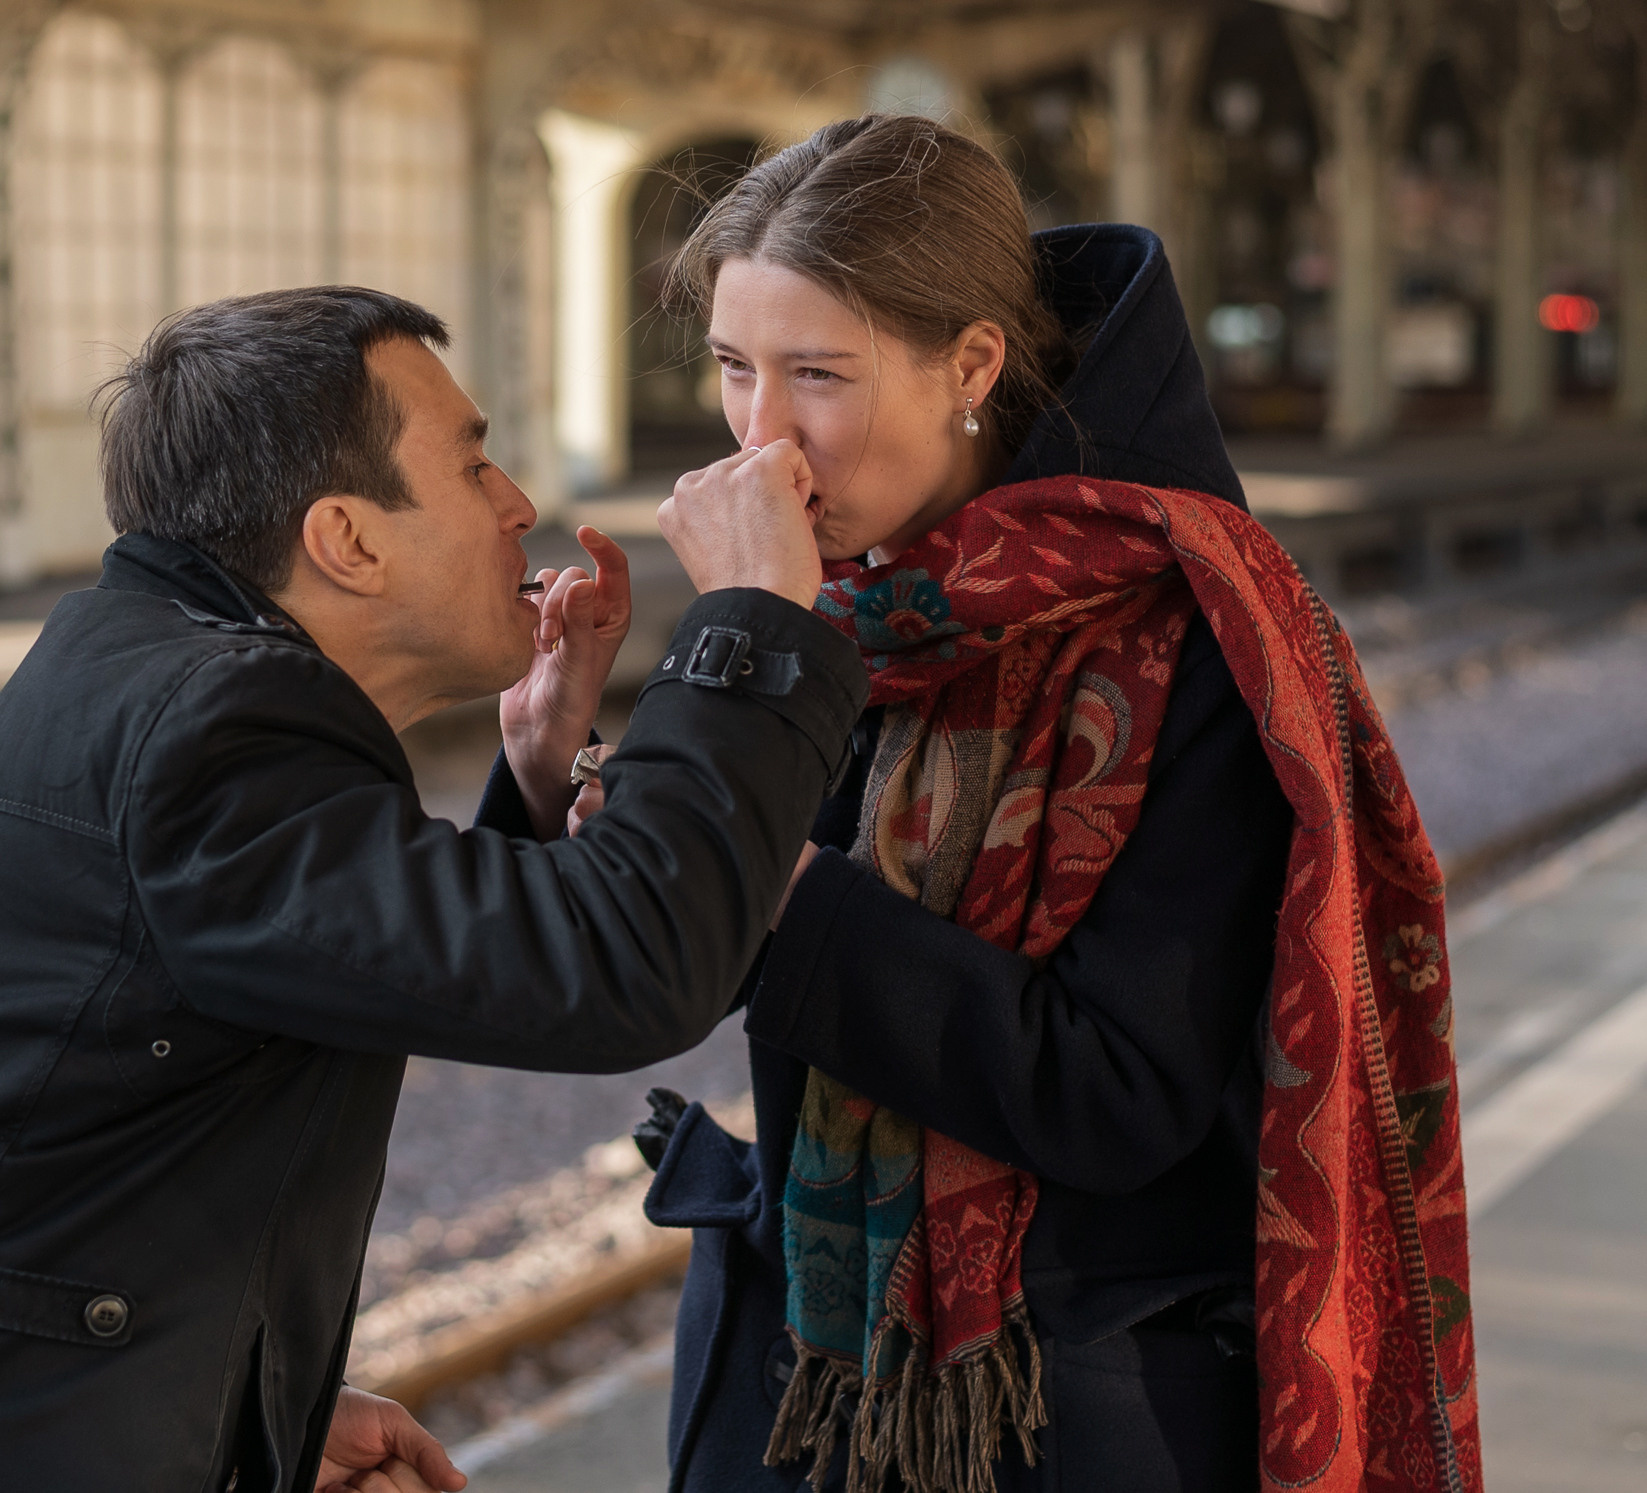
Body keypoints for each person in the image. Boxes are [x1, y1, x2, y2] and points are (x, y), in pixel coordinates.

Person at [0, 287, 869, 1493]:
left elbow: (393, 964)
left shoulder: (150, 678)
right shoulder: (208, 728)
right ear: (346, 540)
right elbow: (626, 966)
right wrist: (746, 624)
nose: (518, 504)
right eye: (472, 465)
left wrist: (223, 1415)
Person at [553, 117, 1479, 1493]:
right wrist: (557, 760)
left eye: (818, 374)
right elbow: (650, 962)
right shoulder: (842, 600)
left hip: (1070, 1414)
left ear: (972, 366)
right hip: (803, 1379)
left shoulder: (1192, 628)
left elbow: (1114, 1092)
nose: (761, 438)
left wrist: (778, 878)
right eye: (734, 367)